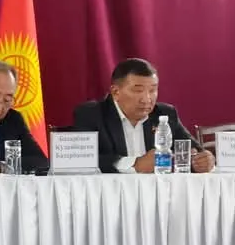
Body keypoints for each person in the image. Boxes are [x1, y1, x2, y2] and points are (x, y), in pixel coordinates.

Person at [71, 58, 213, 173]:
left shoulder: (165, 114)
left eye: (152, 90)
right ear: (115, 92)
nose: (147, 99)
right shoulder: (91, 114)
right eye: (138, 91)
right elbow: (81, 160)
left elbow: (195, 151)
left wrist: (204, 160)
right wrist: (135, 164)